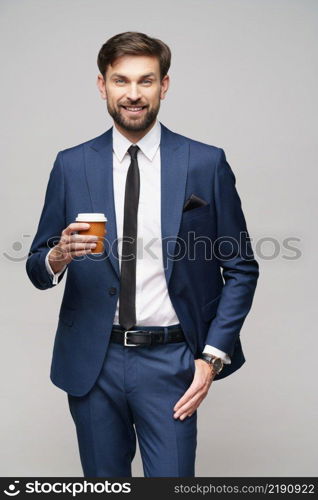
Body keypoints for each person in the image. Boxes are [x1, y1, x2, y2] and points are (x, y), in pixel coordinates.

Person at [26, 31, 259, 477]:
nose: (133, 94)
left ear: (164, 86)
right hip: (93, 362)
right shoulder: (71, 164)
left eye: (146, 81)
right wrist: (56, 256)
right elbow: (38, 266)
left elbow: (242, 269)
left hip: (171, 361)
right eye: (121, 81)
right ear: (102, 85)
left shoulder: (205, 163)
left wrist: (212, 358)